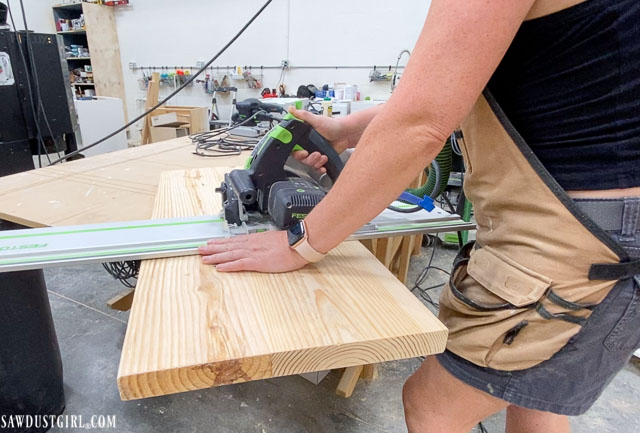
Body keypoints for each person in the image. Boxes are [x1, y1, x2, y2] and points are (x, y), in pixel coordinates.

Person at [198, 0, 640, 431]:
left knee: (432, 408)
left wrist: (302, 241)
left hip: (575, 237)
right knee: (532, 390)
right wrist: (348, 130)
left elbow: (420, 124)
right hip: (578, 224)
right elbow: (456, 86)